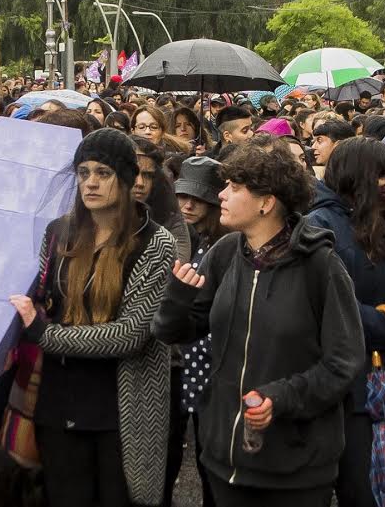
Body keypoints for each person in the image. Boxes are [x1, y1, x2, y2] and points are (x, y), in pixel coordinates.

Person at [153, 143, 364, 507]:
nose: (221, 194)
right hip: (224, 459)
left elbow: (343, 362)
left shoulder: (321, 266)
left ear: (266, 203)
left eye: (235, 187)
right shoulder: (224, 253)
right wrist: (177, 298)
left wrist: (280, 397)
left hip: (295, 468)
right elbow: (176, 332)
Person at [8, 128, 175, 507]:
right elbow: (36, 297)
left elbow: (132, 334)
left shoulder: (154, 241)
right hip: (59, 404)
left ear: (128, 179)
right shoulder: (57, 233)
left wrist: (47, 335)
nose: (91, 183)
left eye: (103, 172)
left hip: (120, 409)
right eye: (83, 173)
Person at [309, 137, 385, 507]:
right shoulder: (321, 225)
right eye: (384, 175)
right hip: (353, 389)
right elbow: (333, 305)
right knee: (361, 490)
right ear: (360, 177)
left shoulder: (383, 223)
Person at [165, 155, 227, 507]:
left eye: (198, 198)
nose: (188, 204)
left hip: (213, 369)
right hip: (189, 363)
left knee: (211, 465)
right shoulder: (192, 237)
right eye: (183, 195)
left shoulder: (225, 243)